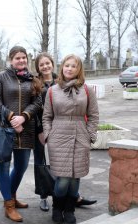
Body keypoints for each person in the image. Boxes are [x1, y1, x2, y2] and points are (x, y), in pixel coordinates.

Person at [34, 53, 97, 212]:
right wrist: (48, 134)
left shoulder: (87, 90)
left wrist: (90, 134)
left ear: (79, 69)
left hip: (80, 135)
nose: (69, 69)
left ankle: (69, 210)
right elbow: (47, 116)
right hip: (58, 137)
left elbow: (93, 115)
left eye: (73, 66)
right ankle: (57, 208)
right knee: (62, 179)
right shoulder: (53, 90)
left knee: (75, 178)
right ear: (62, 68)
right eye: (67, 65)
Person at [0, 46, 42, 222]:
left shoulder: (32, 79)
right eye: (17, 58)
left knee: (21, 166)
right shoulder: (1, 77)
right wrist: (13, 118)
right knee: (3, 166)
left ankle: (11, 195)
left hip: (26, 130)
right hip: (5, 129)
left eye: (24, 57)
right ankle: (8, 205)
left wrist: (24, 117)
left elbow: (37, 102)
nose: (21, 60)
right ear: (11, 60)